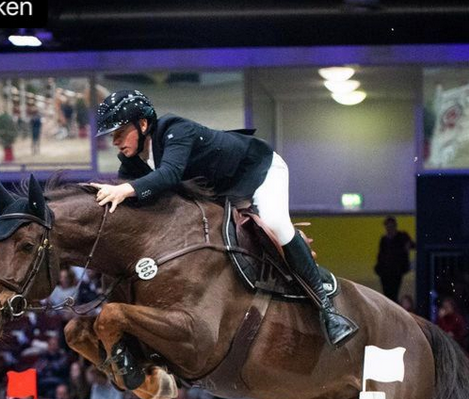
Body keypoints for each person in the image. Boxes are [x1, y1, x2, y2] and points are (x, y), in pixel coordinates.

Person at [91, 90, 357, 347]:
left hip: (258, 172)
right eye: (112, 135)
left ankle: (327, 310)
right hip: (224, 194)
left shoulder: (174, 130)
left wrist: (125, 190)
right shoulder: (131, 163)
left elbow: (170, 174)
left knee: (275, 222)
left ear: (143, 124)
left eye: (119, 133)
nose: (114, 141)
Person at [375, 216, 416, 303]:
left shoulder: (402, 237)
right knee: (387, 295)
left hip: (396, 271)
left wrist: (408, 246)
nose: (389, 228)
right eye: (388, 226)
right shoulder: (384, 240)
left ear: (395, 226)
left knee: (393, 294)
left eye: (391, 226)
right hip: (386, 272)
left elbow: (412, 245)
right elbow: (380, 255)